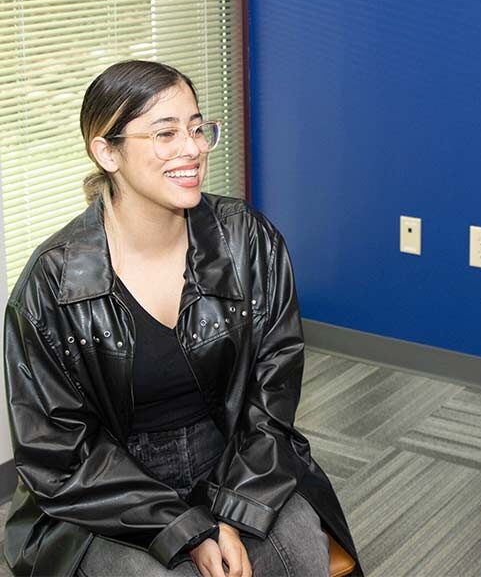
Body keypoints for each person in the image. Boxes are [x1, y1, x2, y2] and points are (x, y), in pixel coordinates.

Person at [3, 60, 360, 577]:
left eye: (197, 128)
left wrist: (235, 510)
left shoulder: (248, 242)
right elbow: (58, 455)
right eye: (165, 133)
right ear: (107, 152)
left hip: (235, 462)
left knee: (298, 544)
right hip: (106, 494)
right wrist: (183, 528)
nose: (192, 148)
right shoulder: (51, 285)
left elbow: (271, 398)